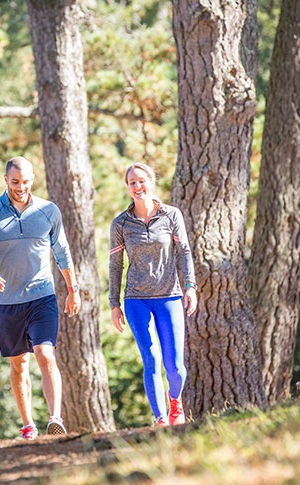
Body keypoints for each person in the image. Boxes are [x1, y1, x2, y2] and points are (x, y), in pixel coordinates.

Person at [0, 156, 81, 440]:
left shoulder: (48, 211)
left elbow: (62, 252)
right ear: (5, 180)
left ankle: (55, 417)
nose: (21, 187)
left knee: (45, 353)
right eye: (15, 182)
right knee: (19, 364)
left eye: (26, 181)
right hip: (6, 302)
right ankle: (28, 424)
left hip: (42, 296)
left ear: (33, 179)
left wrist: (72, 289)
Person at [108, 162, 198, 427]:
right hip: (136, 300)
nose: (137, 187)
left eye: (142, 181)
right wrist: (114, 304)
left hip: (169, 296)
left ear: (151, 182)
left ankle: (175, 401)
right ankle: (160, 419)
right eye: (132, 183)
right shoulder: (120, 224)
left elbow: (184, 253)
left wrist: (190, 286)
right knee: (151, 359)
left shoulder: (171, 215)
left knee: (174, 366)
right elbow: (115, 266)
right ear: (127, 187)